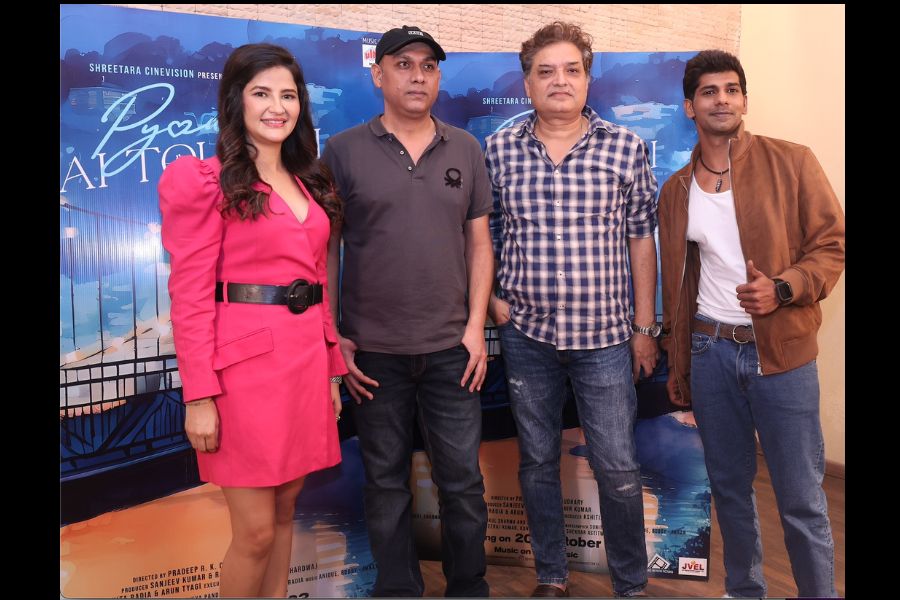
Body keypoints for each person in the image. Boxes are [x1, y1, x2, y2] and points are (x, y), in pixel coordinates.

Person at [158, 43, 346, 598]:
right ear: (236, 101)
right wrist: (198, 396)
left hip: (304, 365)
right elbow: (190, 296)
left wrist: (332, 370)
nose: (276, 107)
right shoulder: (205, 181)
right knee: (256, 533)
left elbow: (318, 284)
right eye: (262, 93)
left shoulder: (311, 181)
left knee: (285, 516)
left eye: (288, 95)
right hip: (241, 376)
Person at [658, 49, 844, 598]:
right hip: (710, 351)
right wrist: (678, 360)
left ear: (744, 100)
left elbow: (832, 245)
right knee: (730, 490)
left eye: (732, 89)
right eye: (709, 91)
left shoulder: (792, 161)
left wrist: (783, 287)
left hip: (781, 353)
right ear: (690, 106)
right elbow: (679, 285)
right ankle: (744, 591)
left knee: (801, 497)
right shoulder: (677, 190)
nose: (722, 100)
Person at [485, 21, 657, 599]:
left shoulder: (625, 147)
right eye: (546, 71)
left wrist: (644, 327)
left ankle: (630, 585)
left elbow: (641, 239)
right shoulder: (499, 149)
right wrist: (491, 299)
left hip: (605, 337)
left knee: (617, 467)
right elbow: (483, 234)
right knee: (536, 462)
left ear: (587, 79)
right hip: (526, 335)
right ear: (527, 83)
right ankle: (552, 577)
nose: (559, 80)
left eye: (571, 70)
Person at [321, 25, 494, 598]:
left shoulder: (465, 148)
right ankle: (398, 590)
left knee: (462, 483)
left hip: (452, 350)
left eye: (428, 66)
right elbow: (327, 248)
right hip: (373, 355)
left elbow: (479, 244)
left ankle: (468, 588)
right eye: (403, 64)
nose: (417, 76)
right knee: (386, 485)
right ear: (378, 74)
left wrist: (475, 328)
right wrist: (335, 335)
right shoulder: (342, 151)